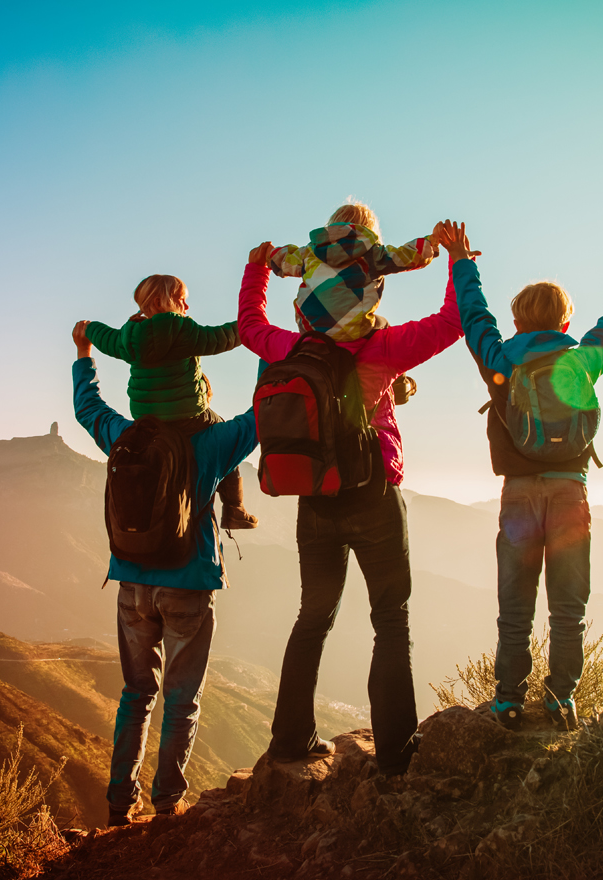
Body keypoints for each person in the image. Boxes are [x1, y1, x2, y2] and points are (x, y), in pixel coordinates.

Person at [240, 233, 462, 776]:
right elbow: (452, 322)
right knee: (390, 619)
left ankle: (290, 740)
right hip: (373, 498)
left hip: (315, 499)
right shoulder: (382, 348)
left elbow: (249, 326)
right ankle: (393, 754)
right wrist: (458, 261)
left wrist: (256, 269)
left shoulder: (291, 349)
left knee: (312, 616)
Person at [439, 220, 603, 730]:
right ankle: (561, 700)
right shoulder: (582, 360)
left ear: (519, 320)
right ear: (566, 319)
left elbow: (475, 318)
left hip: (519, 496)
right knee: (568, 609)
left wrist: (461, 260)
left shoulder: (500, 361)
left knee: (515, 610)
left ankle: (507, 700)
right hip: (570, 493)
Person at [70, 319, 259, 824]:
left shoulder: (123, 437)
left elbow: (88, 409)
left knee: (135, 696)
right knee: (182, 700)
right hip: (189, 585)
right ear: (192, 382)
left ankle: (118, 805)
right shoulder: (211, 444)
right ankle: (167, 804)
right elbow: (259, 416)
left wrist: (85, 354)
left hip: (132, 584)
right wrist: (271, 349)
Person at [81, 274, 258, 530]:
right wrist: (252, 325)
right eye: (182, 300)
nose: (186, 307)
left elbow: (105, 338)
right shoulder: (183, 330)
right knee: (223, 434)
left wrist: (88, 329)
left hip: (146, 420)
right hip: (189, 418)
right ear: (162, 301)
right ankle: (234, 508)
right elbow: (222, 337)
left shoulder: (128, 337)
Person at [263, 199, 439, 343]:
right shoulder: (372, 253)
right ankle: (399, 381)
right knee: (383, 326)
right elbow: (407, 255)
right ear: (369, 230)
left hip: (309, 329)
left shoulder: (310, 252)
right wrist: (432, 242)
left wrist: (268, 253)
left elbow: (284, 258)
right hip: (353, 332)